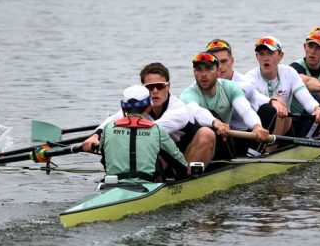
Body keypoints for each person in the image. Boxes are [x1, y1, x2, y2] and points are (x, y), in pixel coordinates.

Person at [81, 62, 221, 172]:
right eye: (150, 87)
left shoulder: (179, 109)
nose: (155, 91)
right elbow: (114, 119)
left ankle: (188, 179)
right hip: (163, 155)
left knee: (206, 134)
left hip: (186, 157)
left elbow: (152, 131)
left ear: (168, 86)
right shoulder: (139, 107)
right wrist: (95, 136)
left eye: (159, 86)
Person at [180, 52, 270, 159]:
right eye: (199, 69)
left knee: (268, 111)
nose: (203, 74)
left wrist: (257, 126)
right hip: (195, 142)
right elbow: (197, 112)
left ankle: (255, 153)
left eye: (208, 69)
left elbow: (246, 110)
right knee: (212, 116)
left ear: (218, 71)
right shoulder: (188, 94)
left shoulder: (230, 87)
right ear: (194, 72)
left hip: (222, 140)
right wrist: (215, 122)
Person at [96, 84, 189, 182]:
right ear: (149, 107)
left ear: (123, 108)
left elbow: (104, 158)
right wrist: (184, 177)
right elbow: (179, 163)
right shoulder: (157, 130)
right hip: (148, 186)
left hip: (113, 184)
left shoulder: (108, 128)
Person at [242, 36, 320, 137]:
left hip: (285, 127)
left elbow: (305, 98)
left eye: (270, 53)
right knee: (274, 107)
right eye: (261, 54)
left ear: (281, 56)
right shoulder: (249, 77)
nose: (265, 58)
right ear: (257, 57)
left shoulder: (289, 72)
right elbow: (253, 96)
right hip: (259, 129)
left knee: (318, 101)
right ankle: (268, 151)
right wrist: (272, 102)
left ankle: (305, 141)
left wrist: (316, 109)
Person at [205, 37, 287, 134]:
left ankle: (267, 148)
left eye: (224, 61)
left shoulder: (244, 82)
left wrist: (272, 101)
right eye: (215, 63)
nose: (220, 67)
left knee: (269, 109)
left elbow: (256, 96)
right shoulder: (202, 85)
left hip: (248, 133)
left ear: (232, 61)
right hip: (223, 134)